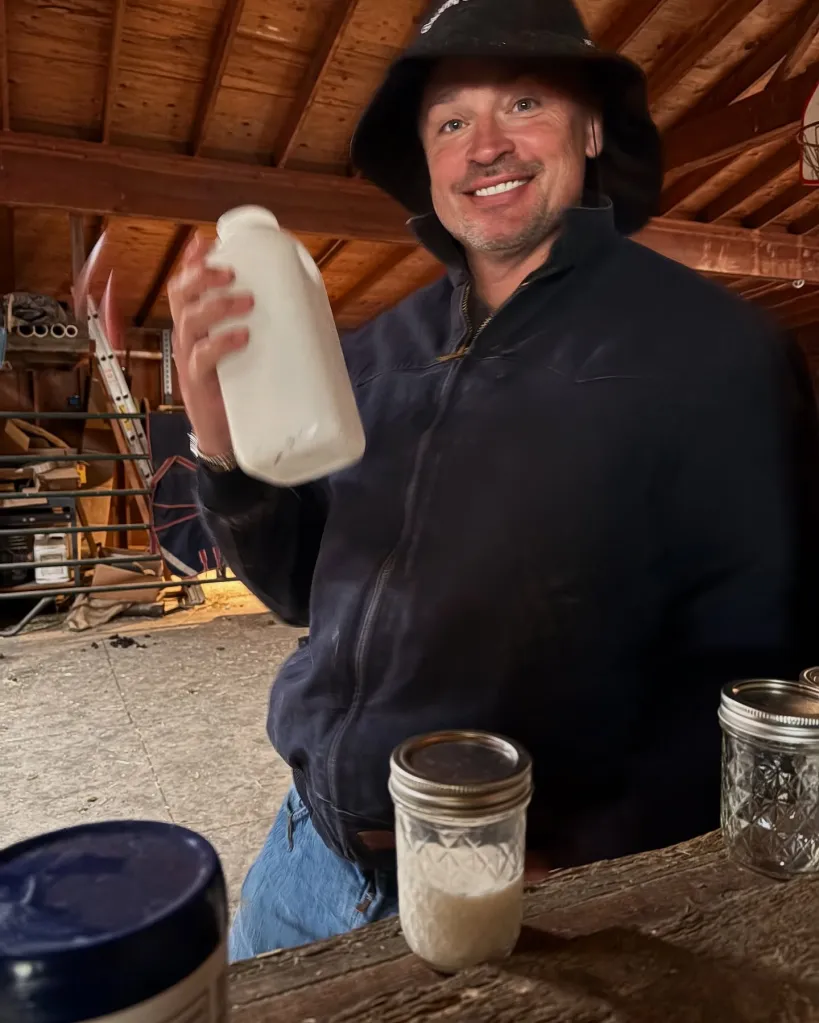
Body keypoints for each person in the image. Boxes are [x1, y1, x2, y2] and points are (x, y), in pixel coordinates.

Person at [169, 0, 819, 960]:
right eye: (450, 121)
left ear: (591, 130)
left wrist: (607, 855)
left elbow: (761, 664)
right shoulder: (371, 354)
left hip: (528, 894)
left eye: (522, 102)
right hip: (306, 860)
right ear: (426, 160)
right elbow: (300, 589)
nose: (484, 146)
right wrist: (220, 443)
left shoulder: (714, 354)